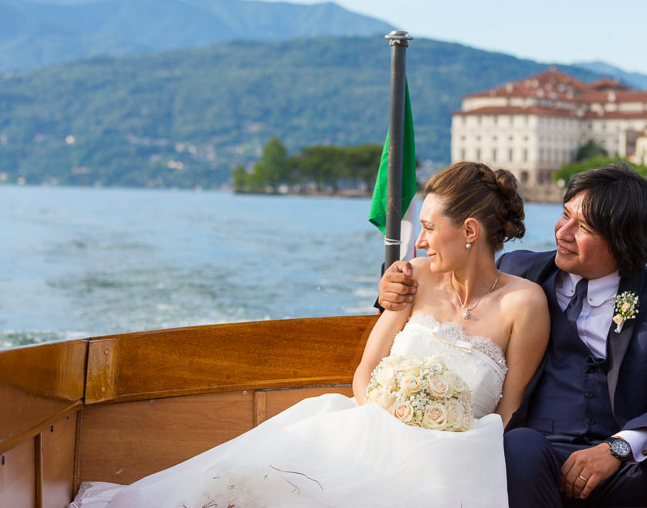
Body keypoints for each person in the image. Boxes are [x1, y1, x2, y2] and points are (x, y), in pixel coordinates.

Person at [70, 161, 549, 508]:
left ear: (469, 230)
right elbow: (365, 373)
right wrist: (380, 424)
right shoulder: (413, 277)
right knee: (243, 481)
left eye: (428, 228)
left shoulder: (524, 305)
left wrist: (436, 447)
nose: (420, 240)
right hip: (367, 430)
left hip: (452, 460)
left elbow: (507, 408)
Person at [379, 163, 647, 507]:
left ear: (622, 241)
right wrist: (393, 288)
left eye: (584, 227)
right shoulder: (517, 272)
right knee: (517, 445)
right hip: (541, 460)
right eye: (565, 215)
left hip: (632, 466)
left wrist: (617, 448)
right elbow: (450, 288)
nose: (562, 232)